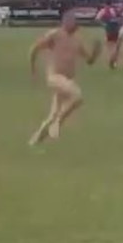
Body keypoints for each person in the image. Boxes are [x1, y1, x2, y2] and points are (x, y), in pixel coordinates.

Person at [28, 14, 102, 145]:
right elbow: (34, 49)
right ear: (65, 22)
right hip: (54, 77)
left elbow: (89, 60)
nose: (76, 24)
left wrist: (96, 52)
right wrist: (33, 70)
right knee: (77, 96)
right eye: (73, 21)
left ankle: (35, 141)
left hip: (66, 80)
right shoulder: (55, 35)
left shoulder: (77, 40)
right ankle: (58, 122)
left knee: (52, 115)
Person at [95, 0, 120, 69]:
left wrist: (103, 24)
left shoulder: (103, 11)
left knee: (109, 46)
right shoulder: (114, 10)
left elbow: (97, 19)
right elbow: (117, 18)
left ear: (105, 4)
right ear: (111, 4)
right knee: (115, 45)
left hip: (108, 29)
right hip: (115, 29)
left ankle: (111, 58)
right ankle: (113, 59)